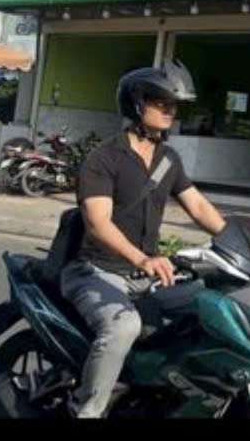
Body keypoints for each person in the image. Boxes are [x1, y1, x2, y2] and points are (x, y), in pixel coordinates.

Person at [60, 59, 229, 418]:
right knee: (124, 326)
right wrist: (142, 258)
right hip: (95, 271)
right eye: (161, 102)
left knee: (204, 312)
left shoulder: (168, 159)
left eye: (174, 105)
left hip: (144, 277)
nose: (170, 111)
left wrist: (236, 240)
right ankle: (87, 410)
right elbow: (98, 223)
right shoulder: (105, 158)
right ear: (137, 104)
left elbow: (198, 206)